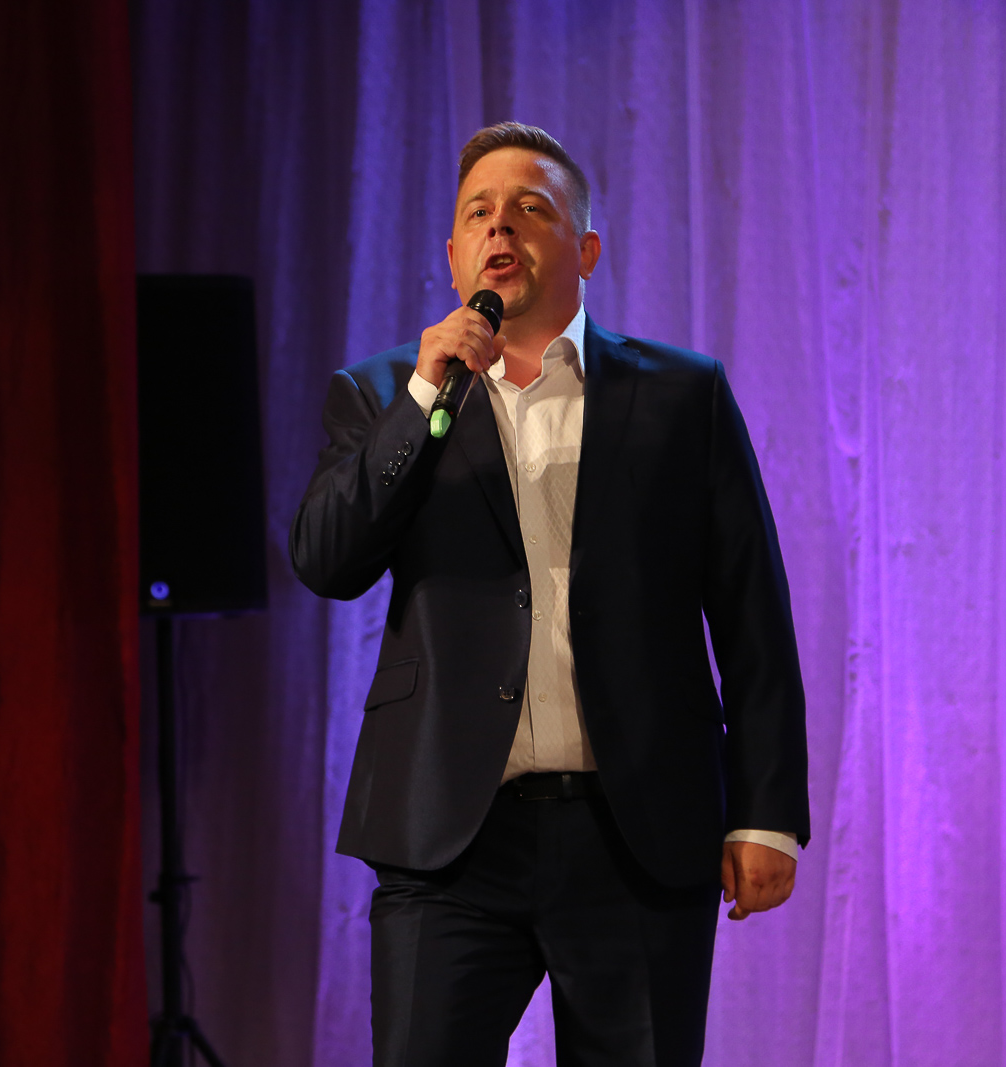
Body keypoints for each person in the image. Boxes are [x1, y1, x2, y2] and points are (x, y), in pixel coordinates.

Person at [290, 123, 809, 1067]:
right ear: (455, 255)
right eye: (479, 213)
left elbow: (752, 614)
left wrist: (765, 810)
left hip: (636, 828)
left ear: (587, 249)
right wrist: (423, 397)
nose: (501, 228)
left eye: (531, 209)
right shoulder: (384, 395)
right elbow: (329, 560)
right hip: (449, 835)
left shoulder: (681, 394)